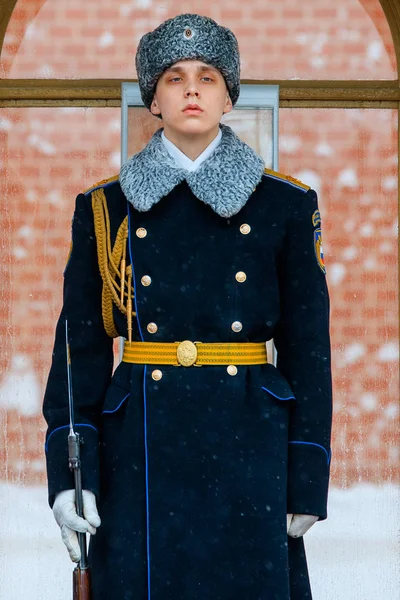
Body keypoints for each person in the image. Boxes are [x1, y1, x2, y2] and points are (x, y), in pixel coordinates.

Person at [43, 13, 332, 600]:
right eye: (174, 77)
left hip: (251, 442)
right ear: (153, 98)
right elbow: (81, 350)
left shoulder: (285, 204)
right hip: (139, 453)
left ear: (230, 95)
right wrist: (71, 473)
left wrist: (306, 478)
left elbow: (309, 349)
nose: (192, 89)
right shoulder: (106, 208)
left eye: (207, 76)